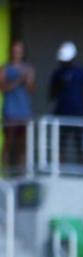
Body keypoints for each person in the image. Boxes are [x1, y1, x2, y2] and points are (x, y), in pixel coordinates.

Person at [48, 41, 83, 165]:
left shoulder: (82, 72)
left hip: (78, 114)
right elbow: (52, 95)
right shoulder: (57, 73)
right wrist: (60, 84)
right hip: (61, 113)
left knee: (80, 145)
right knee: (60, 145)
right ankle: (58, 171)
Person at [2, 40, 35, 176]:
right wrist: (18, 80)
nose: (17, 53)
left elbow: (31, 89)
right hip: (10, 111)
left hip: (24, 111)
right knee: (8, 143)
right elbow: (3, 88)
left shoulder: (28, 68)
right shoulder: (5, 68)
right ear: (11, 52)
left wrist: (28, 81)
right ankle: (3, 172)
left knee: (23, 144)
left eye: (20, 51)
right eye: (15, 50)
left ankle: (22, 173)